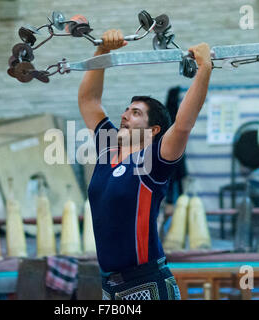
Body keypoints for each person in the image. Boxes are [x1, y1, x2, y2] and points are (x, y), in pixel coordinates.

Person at [78, 29, 212, 300]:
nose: (125, 115)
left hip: (147, 285)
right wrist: (101, 53)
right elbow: (88, 101)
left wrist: (205, 68)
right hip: (110, 288)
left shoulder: (152, 162)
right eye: (127, 109)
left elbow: (183, 125)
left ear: (153, 131)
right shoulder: (108, 150)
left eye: (136, 113)